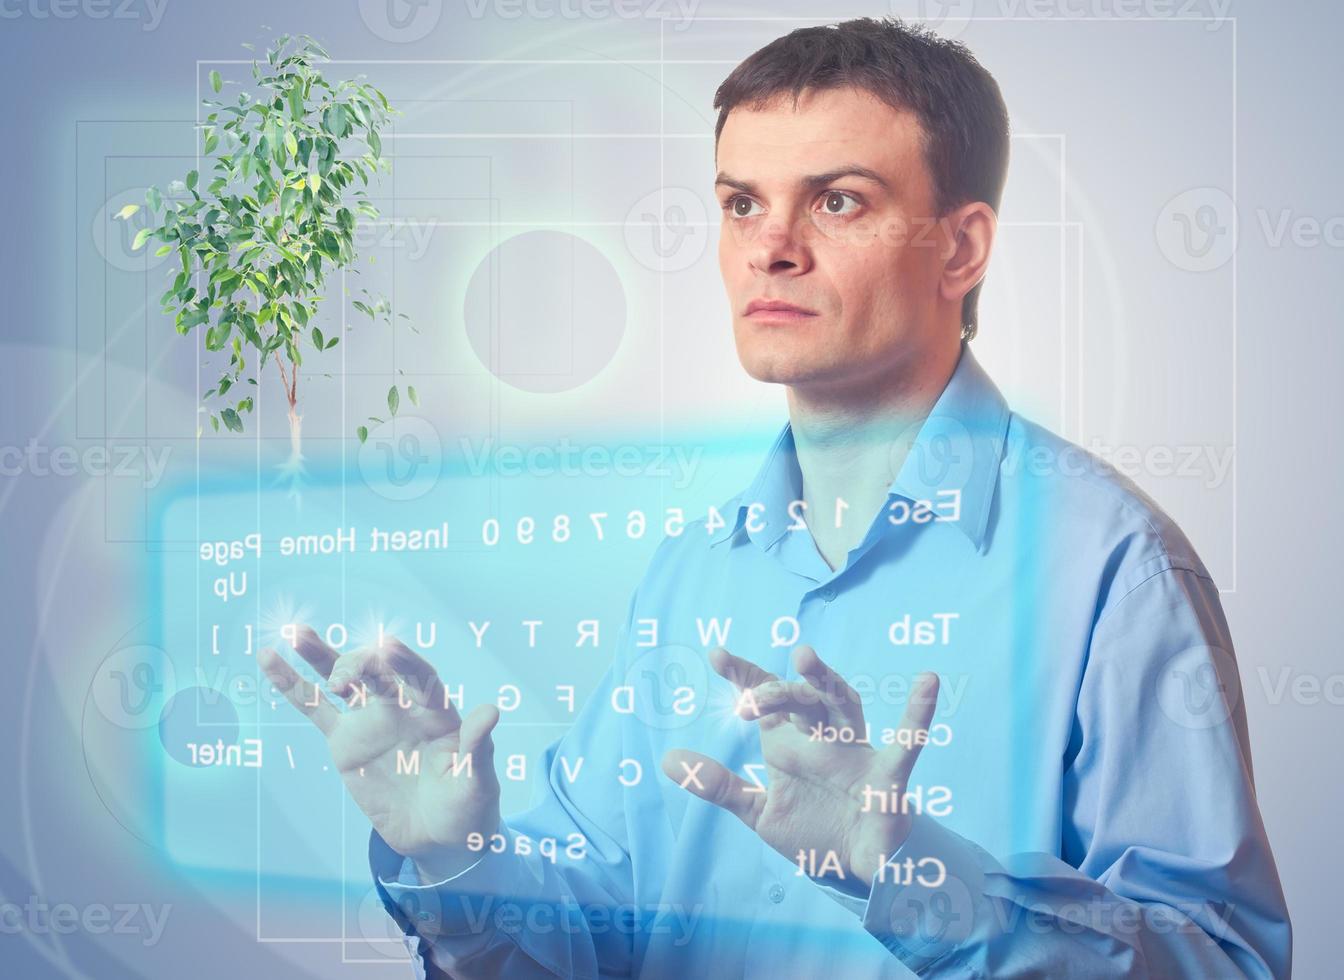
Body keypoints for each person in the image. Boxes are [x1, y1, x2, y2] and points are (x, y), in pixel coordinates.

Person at [260, 16, 1291, 978]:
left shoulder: (1113, 569)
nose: (771, 245)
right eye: (741, 202)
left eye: (838, 199)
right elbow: (594, 924)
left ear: (962, 247)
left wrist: (919, 874)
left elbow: (1226, 956)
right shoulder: (694, 568)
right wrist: (458, 859)